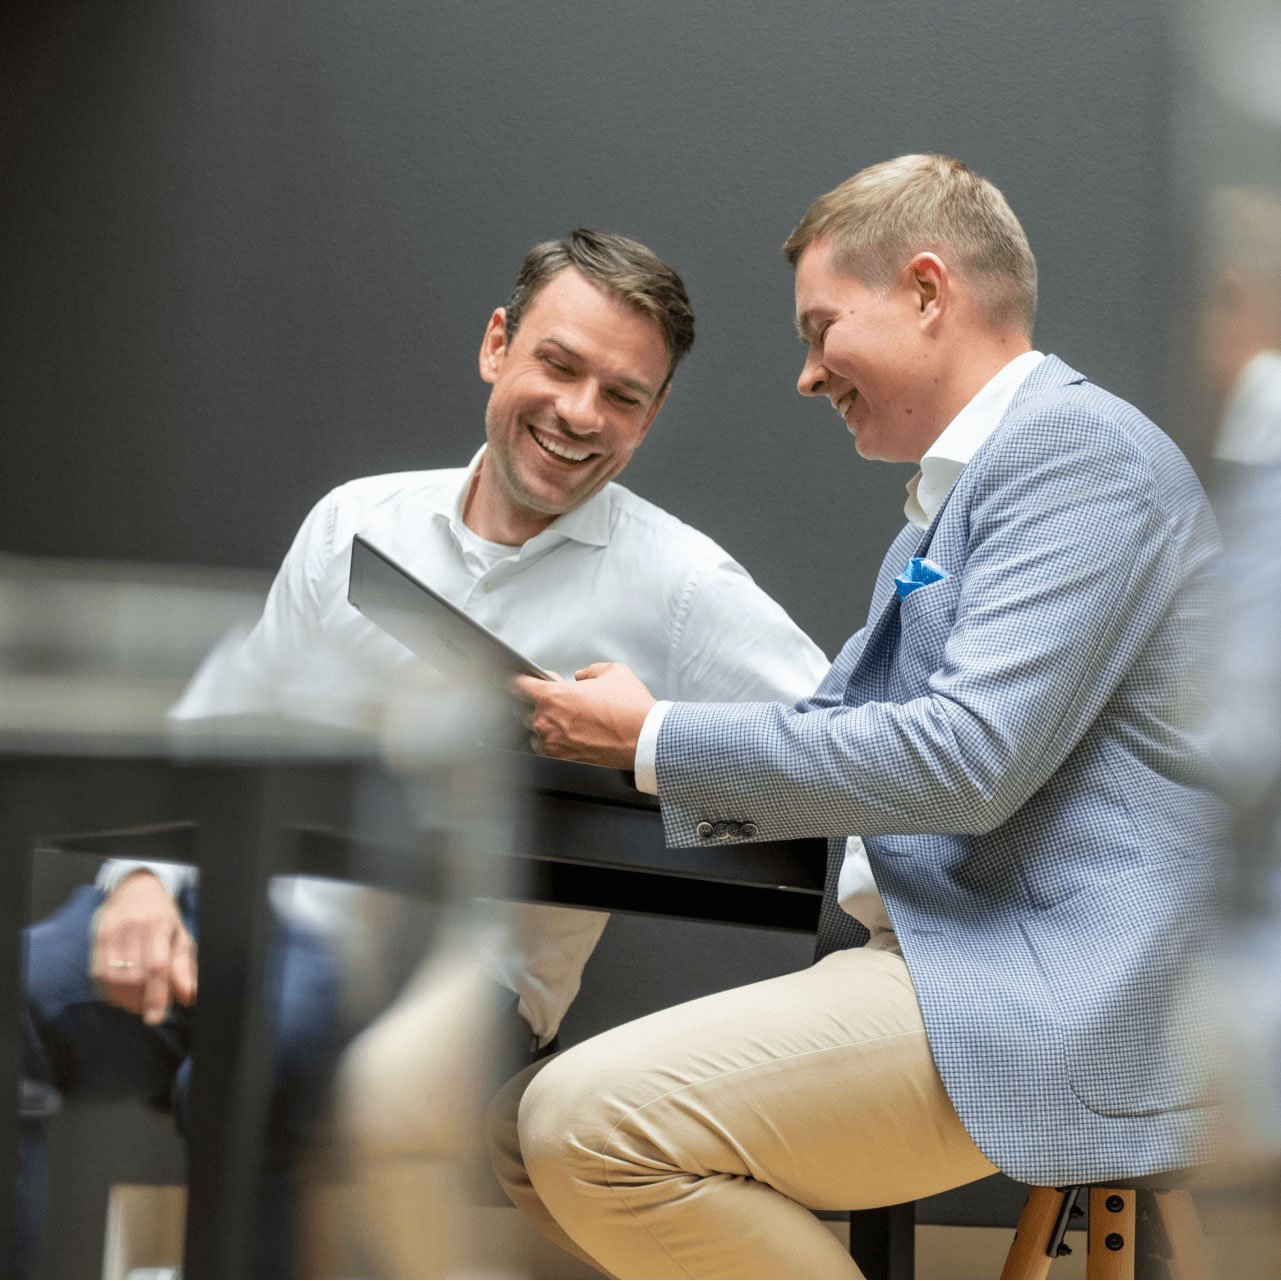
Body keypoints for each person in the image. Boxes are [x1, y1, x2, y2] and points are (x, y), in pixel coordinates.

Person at [18, 229, 830, 1275]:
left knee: (272, 1062)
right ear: (498, 345)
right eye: (559, 364)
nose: (582, 414)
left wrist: (649, 740)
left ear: (654, 415)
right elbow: (224, 723)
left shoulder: (682, 588)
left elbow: (834, 742)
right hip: (235, 909)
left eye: (623, 396)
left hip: (457, 974)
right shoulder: (357, 520)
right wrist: (141, 880)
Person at [505, 156, 1225, 1279]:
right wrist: (626, 737)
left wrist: (653, 739)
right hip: (943, 961)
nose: (805, 375)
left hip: (1052, 991)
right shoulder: (941, 520)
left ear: (929, 293)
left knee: (584, 1130)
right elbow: (842, 734)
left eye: (822, 328)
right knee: (515, 1139)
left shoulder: (1079, 458)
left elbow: (965, 759)